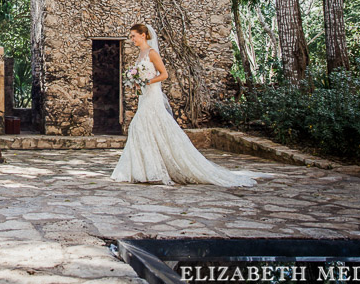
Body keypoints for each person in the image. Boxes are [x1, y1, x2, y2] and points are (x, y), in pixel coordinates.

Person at [110, 23, 259, 187]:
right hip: (144, 96)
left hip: (153, 96)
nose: (131, 39)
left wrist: (147, 81)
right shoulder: (141, 53)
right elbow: (142, 75)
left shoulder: (152, 53)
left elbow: (164, 74)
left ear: (143, 35)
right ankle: (144, 169)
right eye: (131, 36)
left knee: (144, 126)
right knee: (142, 127)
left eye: (133, 36)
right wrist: (138, 84)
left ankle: (157, 169)